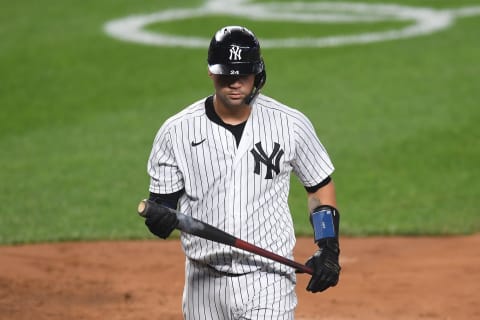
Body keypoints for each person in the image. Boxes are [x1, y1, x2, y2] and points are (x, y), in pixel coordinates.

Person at [143, 25, 341, 319]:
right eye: (227, 75)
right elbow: (162, 206)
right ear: (211, 72)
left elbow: (319, 186)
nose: (235, 83)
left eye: (243, 75)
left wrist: (328, 246)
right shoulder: (176, 132)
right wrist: (159, 218)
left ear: (258, 74)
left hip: (268, 280)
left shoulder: (290, 124)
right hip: (203, 283)